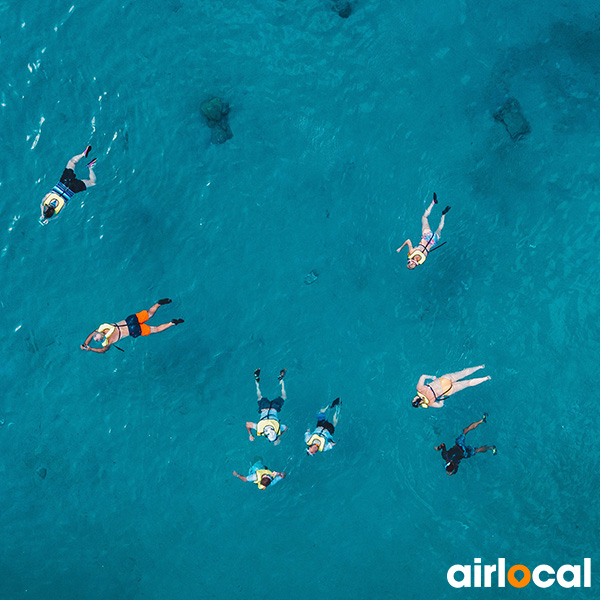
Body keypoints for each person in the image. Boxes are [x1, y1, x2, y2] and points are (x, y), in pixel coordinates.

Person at [80, 298, 184, 353]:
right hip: (129, 320)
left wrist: (90, 349)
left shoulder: (107, 342)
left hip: (133, 330)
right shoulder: (102, 327)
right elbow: (91, 334)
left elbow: (103, 351)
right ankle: (159, 304)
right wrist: (85, 343)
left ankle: (172, 323)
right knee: (149, 314)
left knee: (156, 329)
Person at [40, 146, 97, 224]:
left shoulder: (59, 209)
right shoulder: (46, 199)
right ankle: (83, 154)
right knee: (72, 162)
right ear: (46, 209)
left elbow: (57, 216)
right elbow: (41, 204)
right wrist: (42, 214)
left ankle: (90, 167)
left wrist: (49, 219)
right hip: (64, 181)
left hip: (73, 188)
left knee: (92, 183)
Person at [396, 193, 450, 269]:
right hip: (426, 235)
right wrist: (400, 248)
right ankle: (433, 202)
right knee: (424, 217)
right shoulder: (412, 252)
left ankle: (444, 214)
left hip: (433, 240)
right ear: (410, 261)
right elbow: (408, 240)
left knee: (439, 229)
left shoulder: (422, 260)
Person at [412, 365, 490, 408]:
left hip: (447, 390)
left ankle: (485, 378)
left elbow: (440, 405)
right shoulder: (420, 389)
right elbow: (423, 376)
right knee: (464, 373)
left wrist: (442, 396)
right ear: (415, 399)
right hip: (443, 380)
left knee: (468, 383)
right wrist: (432, 377)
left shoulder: (430, 403)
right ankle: (480, 367)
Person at [246, 368, 288, 445]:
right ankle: (257, 381)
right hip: (264, 407)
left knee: (284, 396)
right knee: (259, 396)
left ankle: (281, 380)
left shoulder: (278, 427)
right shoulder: (259, 427)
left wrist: (279, 437)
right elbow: (248, 424)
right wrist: (250, 435)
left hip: (274, 407)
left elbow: (286, 428)